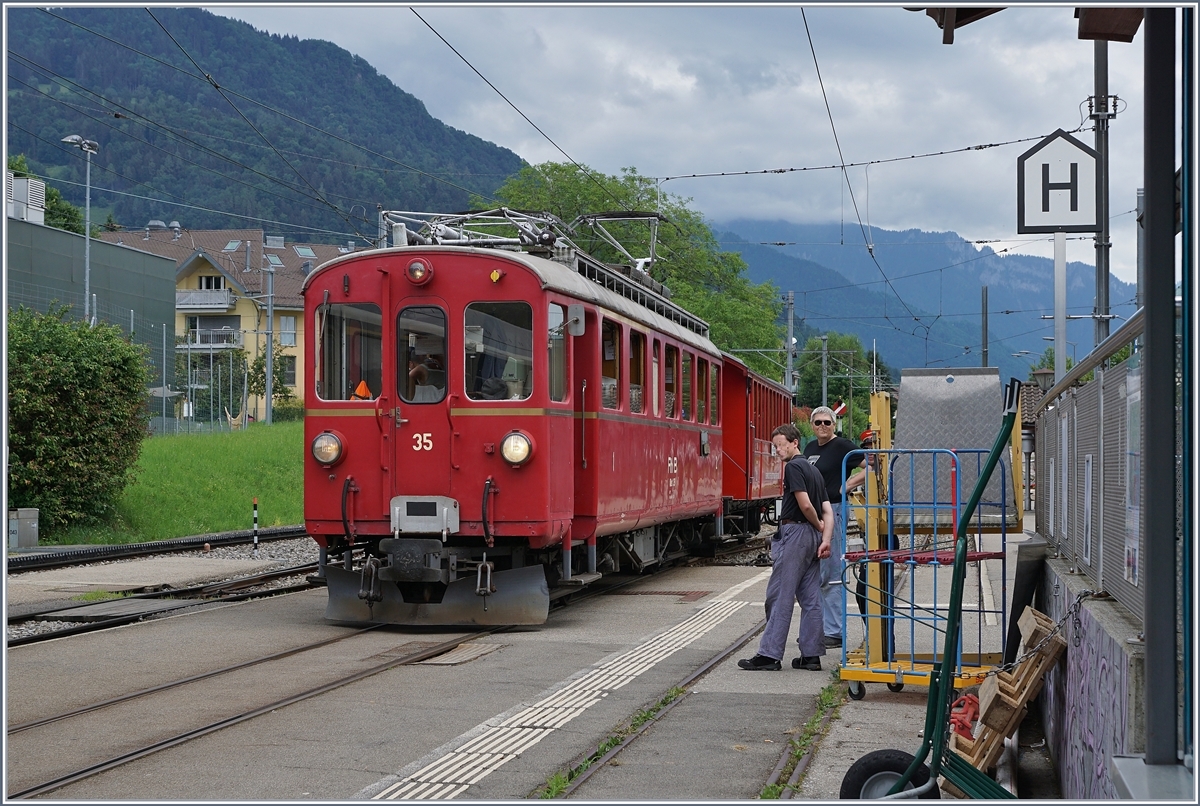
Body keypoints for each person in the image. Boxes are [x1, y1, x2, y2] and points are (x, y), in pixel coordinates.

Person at [738, 423, 834, 672]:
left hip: (796, 534)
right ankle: (811, 656)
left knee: (780, 595)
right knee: (811, 597)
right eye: (775, 446)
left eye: (781, 444)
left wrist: (816, 525)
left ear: (794, 443)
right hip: (812, 537)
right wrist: (825, 537)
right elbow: (828, 510)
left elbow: (806, 506)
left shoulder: (793, 467)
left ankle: (769, 655)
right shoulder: (814, 471)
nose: (778, 450)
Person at [804, 406, 867, 650]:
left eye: (827, 423)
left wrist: (847, 484)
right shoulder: (810, 448)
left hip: (836, 510)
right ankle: (820, 628)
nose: (822, 427)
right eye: (818, 422)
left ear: (834, 424)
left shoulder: (842, 446)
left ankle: (835, 631)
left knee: (831, 572)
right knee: (816, 574)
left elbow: (871, 465)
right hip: (815, 513)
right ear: (812, 425)